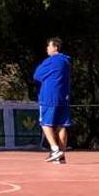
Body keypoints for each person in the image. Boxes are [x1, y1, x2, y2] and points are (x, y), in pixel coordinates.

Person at [33, 37, 72, 165]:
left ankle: (55, 149)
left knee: (45, 123)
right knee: (62, 125)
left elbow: (37, 75)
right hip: (64, 97)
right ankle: (61, 155)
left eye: (49, 46)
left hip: (49, 96)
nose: (47, 48)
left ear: (55, 47)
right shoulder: (66, 61)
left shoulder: (51, 61)